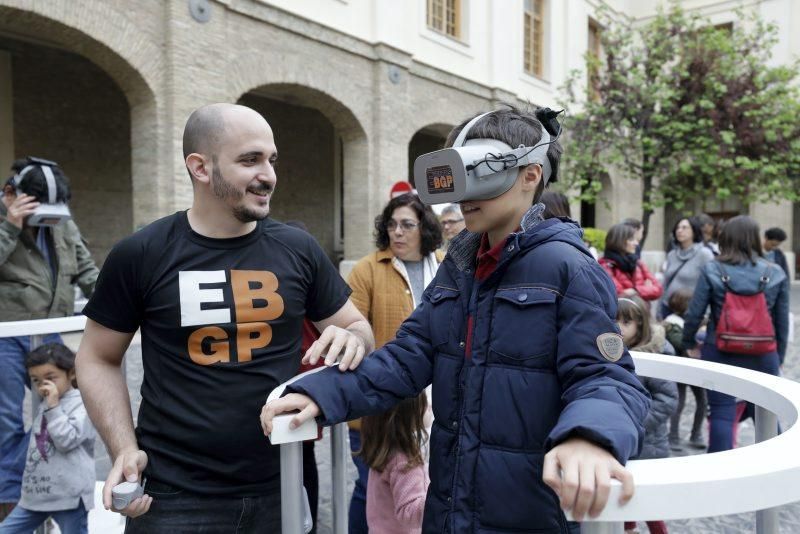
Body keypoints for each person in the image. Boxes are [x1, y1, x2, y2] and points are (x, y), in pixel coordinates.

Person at [262, 106, 650, 533]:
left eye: (479, 171)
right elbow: (409, 355)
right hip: (452, 511)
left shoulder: (569, 268)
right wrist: (324, 392)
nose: (463, 193)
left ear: (530, 174)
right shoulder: (461, 265)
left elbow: (607, 376)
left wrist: (588, 436)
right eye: (456, 174)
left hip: (530, 516)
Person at [74, 103, 374, 532]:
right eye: (249, 160)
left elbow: (355, 326)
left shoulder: (299, 249)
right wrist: (122, 448)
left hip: (284, 481)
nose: (268, 174)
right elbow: (97, 357)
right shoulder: (141, 253)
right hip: (174, 495)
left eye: (271, 160)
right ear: (200, 167)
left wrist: (355, 339)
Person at [0, 158, 99, 520]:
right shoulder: (4, 217)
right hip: (5, 337)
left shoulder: (62, 221)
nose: (49, 219)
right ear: (10, 194)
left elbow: (87, 270)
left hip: (49, 334)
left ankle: (40, 493)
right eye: (39, 211)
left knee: (62, 413)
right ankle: (13, 507)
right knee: (6, 423)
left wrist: (117, 304)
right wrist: (11, 226)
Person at [345, 193, 443, 533]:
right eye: (391, 225)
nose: (397, 232)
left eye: (406, 225)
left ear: (425, 228)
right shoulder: (367, 270)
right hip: (385, 406)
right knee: (368, 488)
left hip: (438, 406)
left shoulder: (446, 266)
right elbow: (350, 329)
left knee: (422, 487)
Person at [682, 215, 789, 452]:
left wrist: (688, 341)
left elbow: (694, 312)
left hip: (720, 349)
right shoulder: (776, 272)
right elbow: (781, 323)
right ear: (755, 239)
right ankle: (778, 464)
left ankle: (719, 474)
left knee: (721, 412)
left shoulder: (713, 268)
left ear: (726, 238)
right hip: (763, 353)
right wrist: (778, 357)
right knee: (766, 412)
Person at [0, 343, 95, 534]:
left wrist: (53, 407)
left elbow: (67, 440)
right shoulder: (46, 404)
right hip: (36, 496)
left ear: (71, 373)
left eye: (50, 378)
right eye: (36, 380)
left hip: (69, 497)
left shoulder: (82, 403)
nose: (43, 385)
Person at [616, 296, 677, 534]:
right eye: (614, 320)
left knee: (648, 503)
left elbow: (667, 399)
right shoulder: (610, 350)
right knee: (623, 491)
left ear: (639, 325)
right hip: (622, 438)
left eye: (625, 322)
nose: (618, 327)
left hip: (648, 442)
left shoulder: (654, 355)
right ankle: (629, 529)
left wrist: (636, 424)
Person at [360, 393, 430, 534]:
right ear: (409, 416)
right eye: (425, 404)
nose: (430, 407)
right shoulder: (405, 462)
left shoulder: (384, 448)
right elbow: (409, 513)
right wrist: (438, 494)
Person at [663, 289, 707, 450]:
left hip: (697, 368)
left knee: (702, 401)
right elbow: (680, 343)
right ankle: (673, 436)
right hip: (680, 369)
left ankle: (696, 434)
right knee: (679, 403)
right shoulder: (672, 322)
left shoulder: (700, 321)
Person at [658, 217, 714, 319]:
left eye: (684, 227)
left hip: (690, 310)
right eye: (678, 228)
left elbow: (712, 285)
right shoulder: (672, 255)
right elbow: (665, 285)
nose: (680, 230)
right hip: (668, 307)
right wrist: (658, 310)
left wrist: (707, 313)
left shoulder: (704, 254)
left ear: (694, 230)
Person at [600, 223, 662, 303]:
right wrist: (645, 288)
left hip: (642, 313)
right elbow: (619, 295)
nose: (636, 243)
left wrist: (635, 290)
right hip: (622, 314)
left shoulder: (637, 263)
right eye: (632, 239)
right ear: (619, 241)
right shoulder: (606, 266)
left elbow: (658, 289)